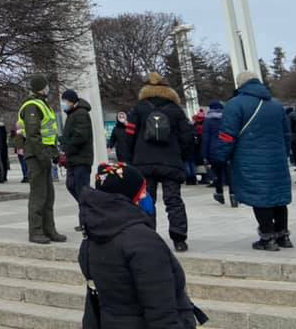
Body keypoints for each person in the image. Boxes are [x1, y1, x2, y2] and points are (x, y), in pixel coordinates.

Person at [79, 162, 202, 328]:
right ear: (128, 196)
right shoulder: (143, 241)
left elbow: (94, 301)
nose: (146, 195)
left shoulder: (92, 234)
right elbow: (161, 310)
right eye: (142, 191)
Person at [214, 71, 293, 251]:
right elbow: (286, 134)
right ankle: (283, 235)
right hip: (276, 157)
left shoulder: (235, 105)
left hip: (249, 158)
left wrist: (219, 157)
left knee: (261, 197)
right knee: (278, 197)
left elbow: (227, 135)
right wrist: (284, 153)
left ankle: (267, 237)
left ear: (240, 85)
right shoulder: (276, 105)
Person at [124, 72, 194, 253]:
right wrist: (182, 156)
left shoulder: (138, 109)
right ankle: (179, 239)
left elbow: (128, 136)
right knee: (174, 200)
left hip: (144, 162)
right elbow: (187, 136)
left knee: (147, 200)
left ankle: (148, 236)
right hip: (171, 161)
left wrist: (130, 159)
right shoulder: (175, 110)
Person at [19, 75, 65, 245]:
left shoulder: (42, 104)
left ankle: (49, 229)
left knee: (48, 196)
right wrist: (42, 156)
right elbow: (33, 134)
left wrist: (53, 153)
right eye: (46, 86)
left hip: (44, 154)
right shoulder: (32, 105)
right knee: (39, 195)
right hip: (36, 155)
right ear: (41, 87)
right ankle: (36, 231)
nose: (48, 88)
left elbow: (48, 133)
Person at [60, 89, 93, 231]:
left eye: (65, 101)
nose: (64, 104)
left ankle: (87, 221)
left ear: (72, 101)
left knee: (82, 190)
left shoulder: (81, 114)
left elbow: (80, 137)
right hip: (73, 159)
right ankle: (86, 219)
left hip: (81, 159)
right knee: (72, 185)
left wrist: (67, 148)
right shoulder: (72, 114)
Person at [200, 101, 236, 207]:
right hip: (227, 149)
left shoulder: (207, 121)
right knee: (230, 174)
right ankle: (233, 195)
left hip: (213, 151)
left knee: (217, 174)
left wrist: (204, 154)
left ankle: (219, 193)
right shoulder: (227, 119)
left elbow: (205, 138)